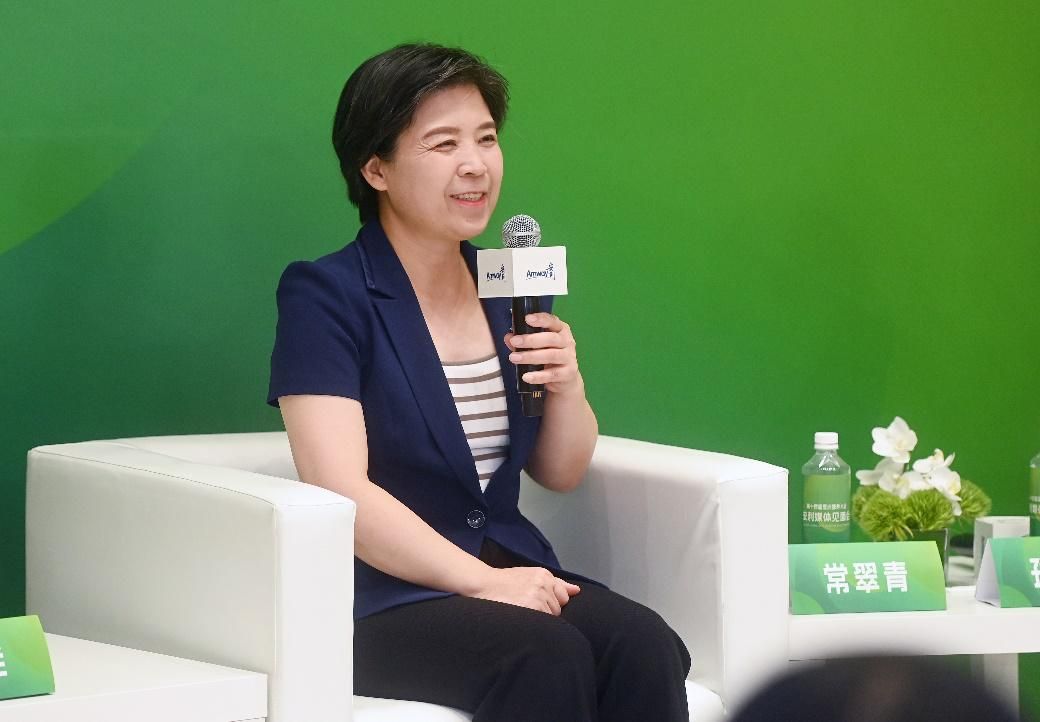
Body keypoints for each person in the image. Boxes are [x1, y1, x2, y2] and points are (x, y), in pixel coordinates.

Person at [267, 42, 691, 721]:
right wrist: (485, 582)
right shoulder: (327, 295)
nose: (475, 164)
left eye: (486, 139)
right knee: (545, 654)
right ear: (376, 168)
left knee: (643, 644)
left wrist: (567, 383)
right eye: (443, 144)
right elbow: (341, 489)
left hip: (504, 565)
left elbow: (559, 470)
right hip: (380, 596)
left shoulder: (509, 287)